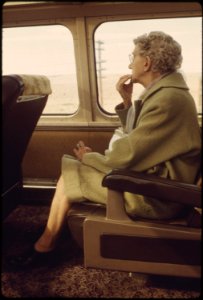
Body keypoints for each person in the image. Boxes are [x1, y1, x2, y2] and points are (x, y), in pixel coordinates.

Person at [8, 31, 201, 268]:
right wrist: (128, 102)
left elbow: (128, 155)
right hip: (155, 179)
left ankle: (45, 246)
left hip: (160, 194)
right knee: (73, 169)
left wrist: (89, 157)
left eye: (133, 56)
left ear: (147, 62)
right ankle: (50, 234)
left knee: (70, 175)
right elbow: (143, 139)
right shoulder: (166, 94)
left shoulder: (167, 99)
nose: (130, 62)